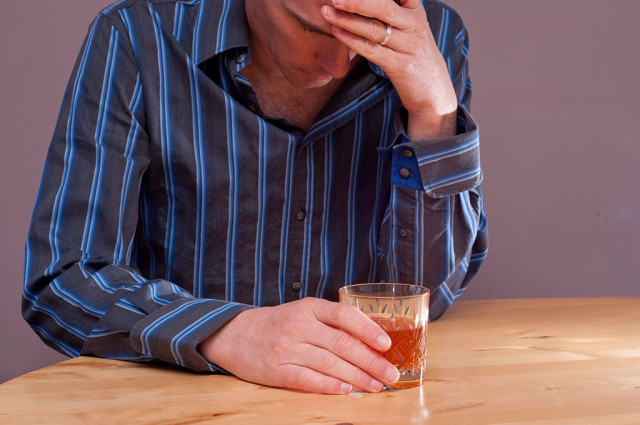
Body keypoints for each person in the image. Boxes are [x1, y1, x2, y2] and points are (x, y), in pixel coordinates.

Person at [23, 0, 487, 394]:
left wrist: (434, 117)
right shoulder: (138, 35)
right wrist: (226, 333)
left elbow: (426, 298)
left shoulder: (430, 36)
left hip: (365, 405)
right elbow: (64, 281)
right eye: (311, 29)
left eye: (366, 36)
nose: (339, 65)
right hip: (183, 405)